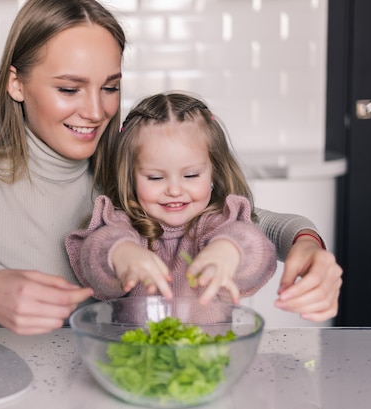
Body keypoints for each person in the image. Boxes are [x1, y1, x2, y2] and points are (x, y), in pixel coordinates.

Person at [0, 0, 341, 356]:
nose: (95, 112)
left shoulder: (119, 161)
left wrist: (308, 243)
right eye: (70, 88)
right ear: (17, 84)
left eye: (110, 87)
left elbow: (251, 222)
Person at [66, 92, 277, 305]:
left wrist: (229, 250)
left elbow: (256, 246)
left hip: (213, 339)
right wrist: (121, 254)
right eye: (156, 177)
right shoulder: (125, 226)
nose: (175, 190)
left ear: (214, 172)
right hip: (137, 339)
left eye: (191, 175)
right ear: (130, 177)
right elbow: (95, 252)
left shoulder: (218, 224)